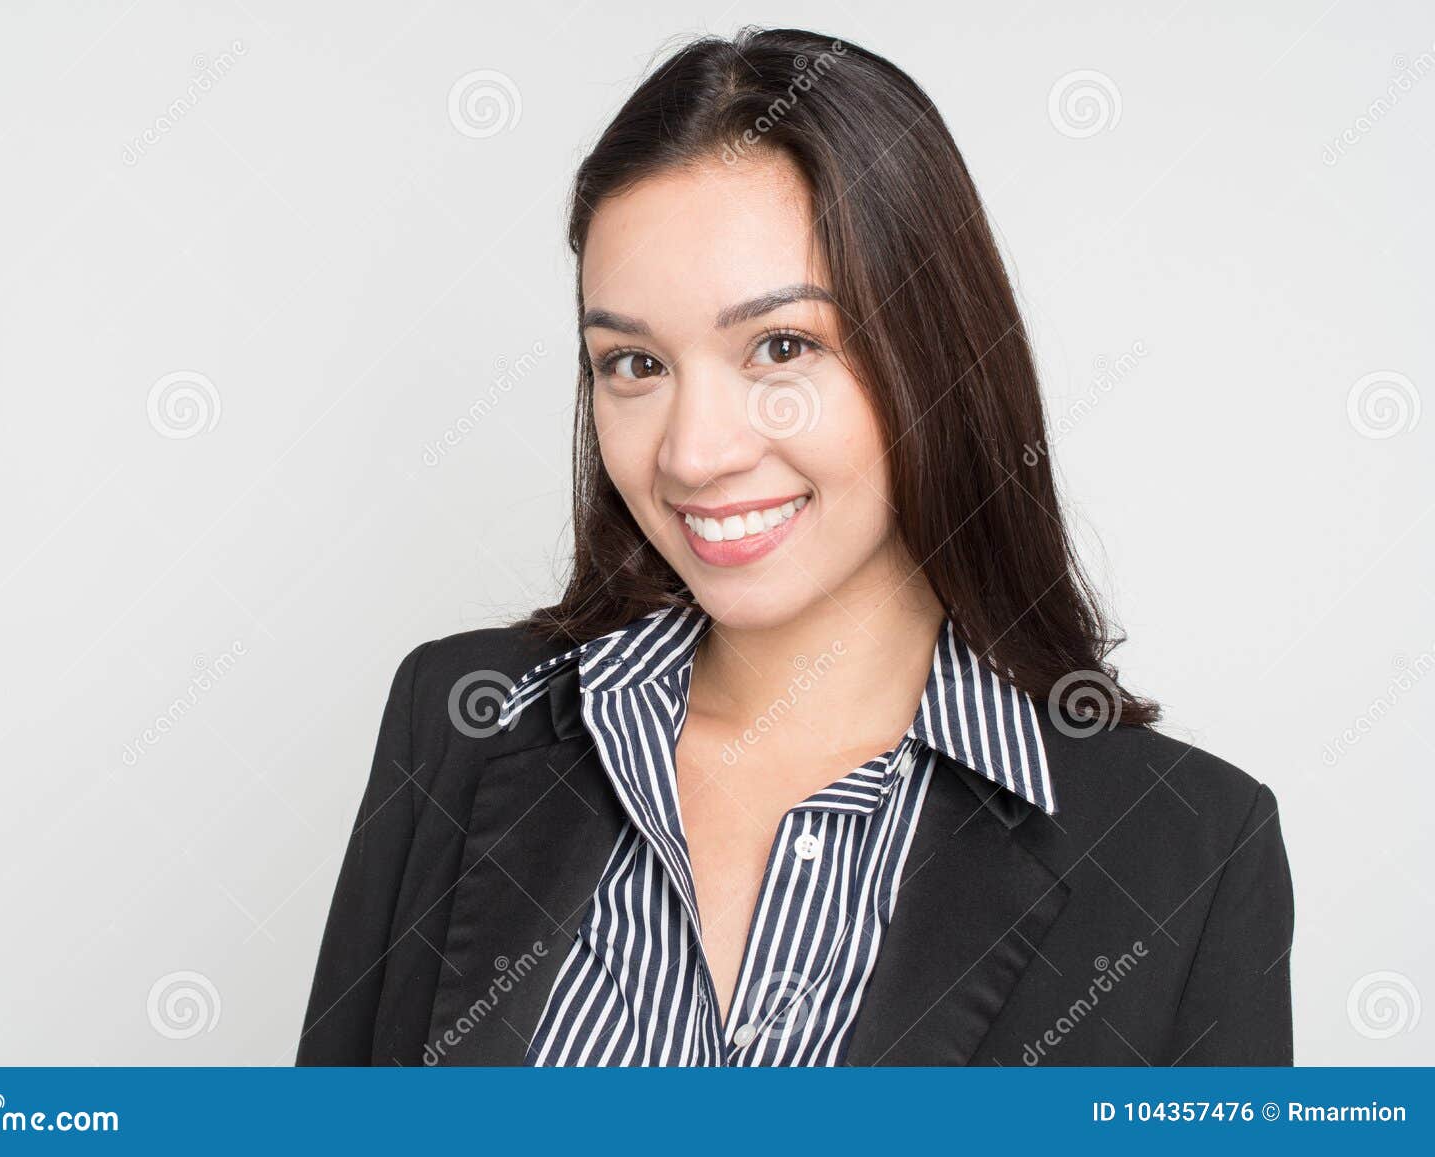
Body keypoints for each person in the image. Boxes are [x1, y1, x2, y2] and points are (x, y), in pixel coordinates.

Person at [297, 26, 1293, 1067]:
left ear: (934, 353)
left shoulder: (1185, 848)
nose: (692, 452)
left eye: (781, 345)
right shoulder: (462, 723)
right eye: (633, 361)